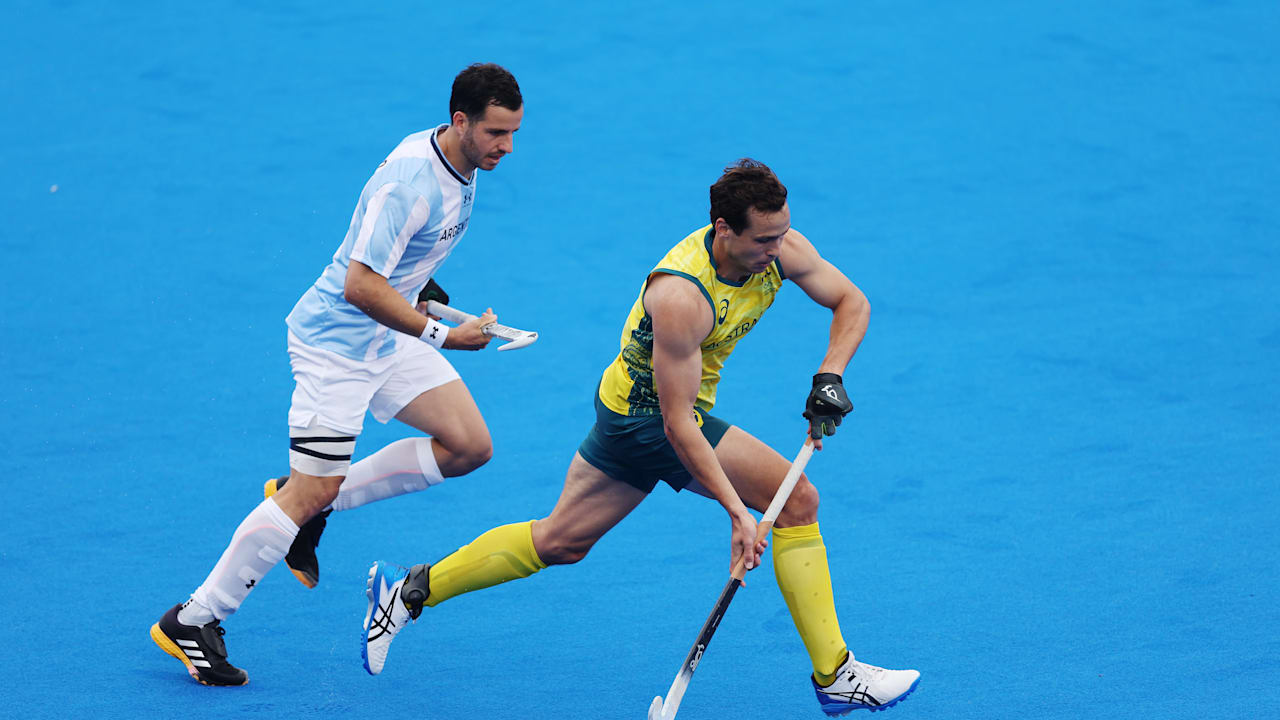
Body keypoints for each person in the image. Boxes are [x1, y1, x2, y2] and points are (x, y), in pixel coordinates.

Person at [361, 159, 921, 714]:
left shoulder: (780, 248)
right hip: (648, 417)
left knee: (561, 541)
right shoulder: (681, 296)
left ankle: (411, 590)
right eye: (764, 240)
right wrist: (737, 512)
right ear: (723, 229)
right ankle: (836, 675)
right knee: (797, 500)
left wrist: (830, 377)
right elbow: (679, 425)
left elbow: (852, 301)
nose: (778, 249)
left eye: (781, 234)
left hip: (622, 405)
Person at [149, 62, 524, 686]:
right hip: (337, 350)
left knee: (468, 446)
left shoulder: (462, 164)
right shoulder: (412, 181)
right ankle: (194, 616)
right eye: (496, 133)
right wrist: (443, 335)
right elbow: (358, 284)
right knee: (306, 492)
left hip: (387, 335)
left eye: (513, 133)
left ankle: (310, 505)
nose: (507, 147)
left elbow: (396, 265)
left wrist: (423, 292)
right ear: (460, 121)